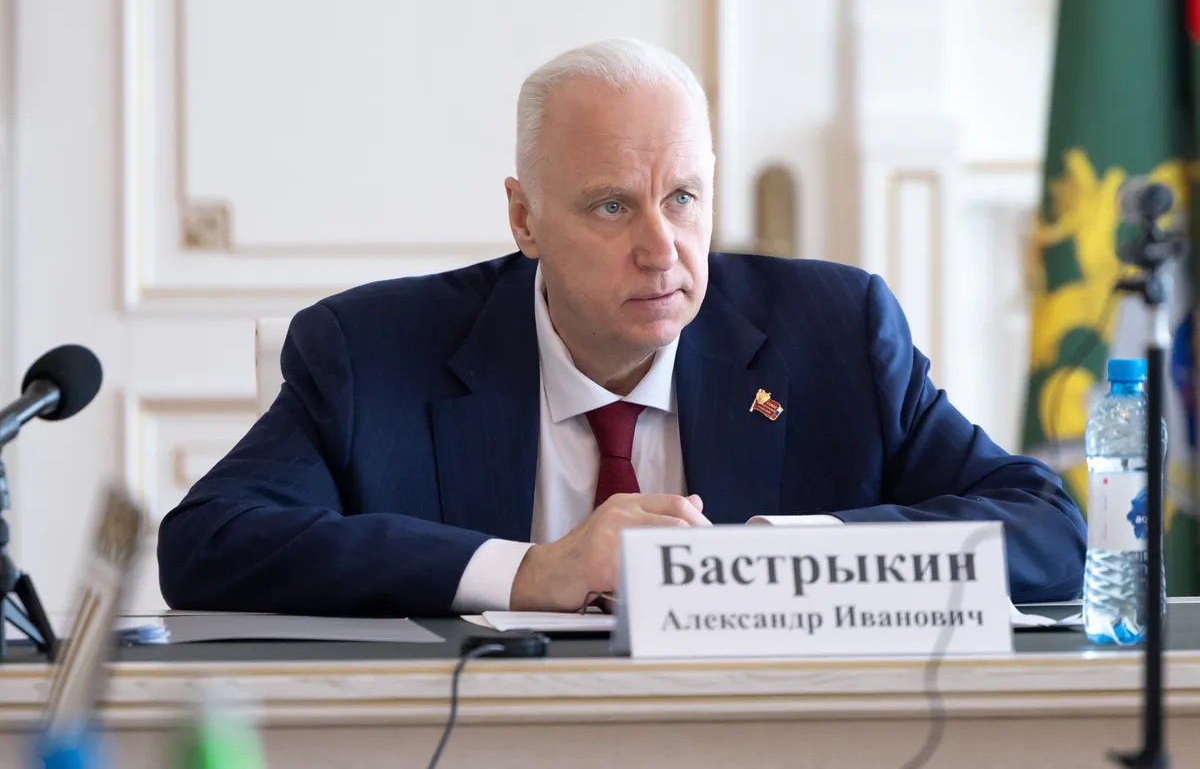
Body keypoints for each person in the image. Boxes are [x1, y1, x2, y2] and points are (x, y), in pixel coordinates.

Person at [156, 39, 1086, 617]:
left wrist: (789, 560)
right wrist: (532, 573)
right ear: (524, 219)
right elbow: (210, 542)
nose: (660, 247)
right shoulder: (372, 353)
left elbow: (1047, 531)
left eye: (683, 197)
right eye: (611, 206)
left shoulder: (836, 335)